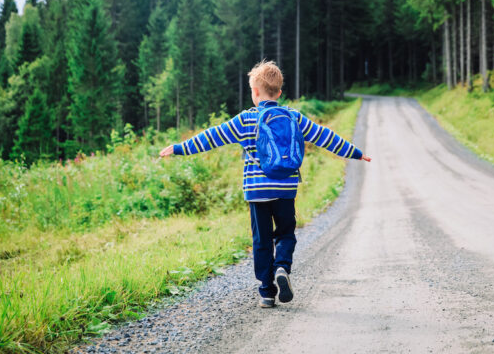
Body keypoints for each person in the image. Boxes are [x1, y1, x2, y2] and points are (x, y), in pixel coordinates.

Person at [159, 60, 371, 308]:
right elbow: (324, 136)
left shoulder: (246, 119)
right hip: (285, 189)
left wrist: (179, 148)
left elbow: (212, 137)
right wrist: (355, 153)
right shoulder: (294, 116)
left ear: (255, 92)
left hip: (257, 191)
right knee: (286, 234)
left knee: (262, 241)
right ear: (279, 93)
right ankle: (282, 267)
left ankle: (267, 292)